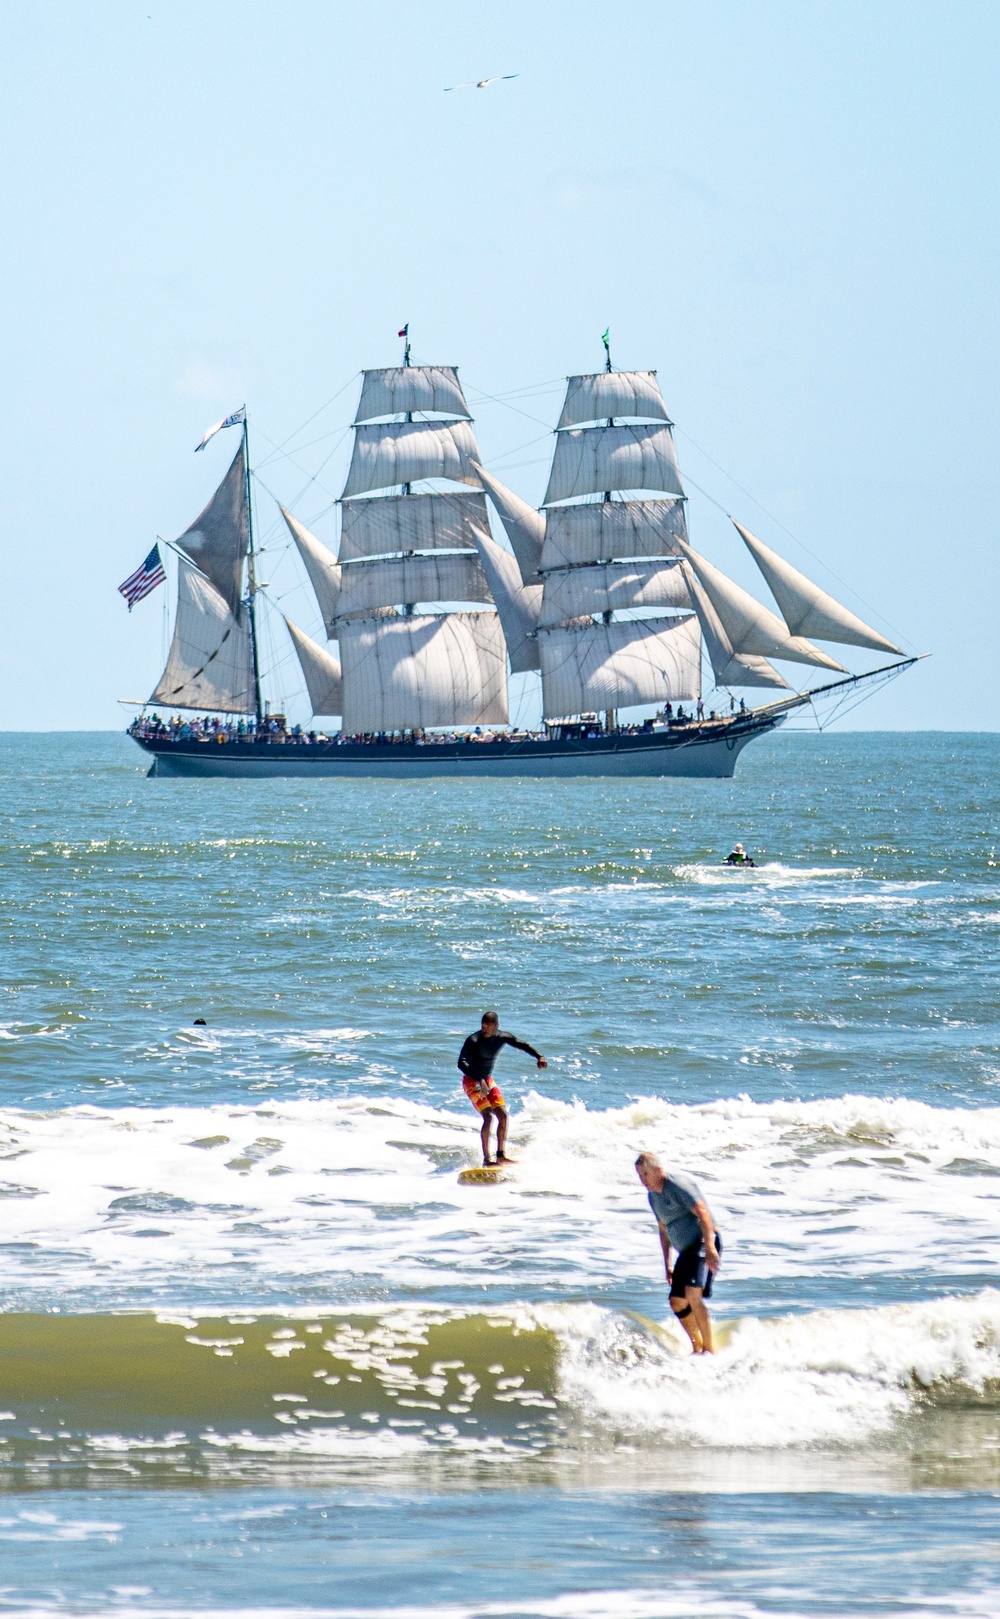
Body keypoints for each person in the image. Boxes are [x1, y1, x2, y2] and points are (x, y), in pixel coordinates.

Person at [634, 1151, 721, 1353]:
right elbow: (663, 1230)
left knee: (692, 1294)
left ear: (658, 1170)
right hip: (686, 1251)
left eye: (645, 1174)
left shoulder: (677, 1186)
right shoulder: (653, 1197)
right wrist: (668, 1264)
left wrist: (709, 1246)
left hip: (702, 1242)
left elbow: (702, 1212)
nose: (643, 1180)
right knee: (676, 1301)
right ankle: (697, 1346)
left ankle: (709, 1350)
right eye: (639, 1176)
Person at [457, 1011, 547, 1166]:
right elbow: (461, 1063)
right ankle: (487, 1159)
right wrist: (479, 1079)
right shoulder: (473, 1040)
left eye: (488, 1027)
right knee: (488, 1116)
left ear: (496, 1026)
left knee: (503, 1115)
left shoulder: (502, 1037)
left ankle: (500, 1155)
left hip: (487, 1080)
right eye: (483, 1026)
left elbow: (522, 1045)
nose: (484, 1029)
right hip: (472, 1081)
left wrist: (539, 1056)